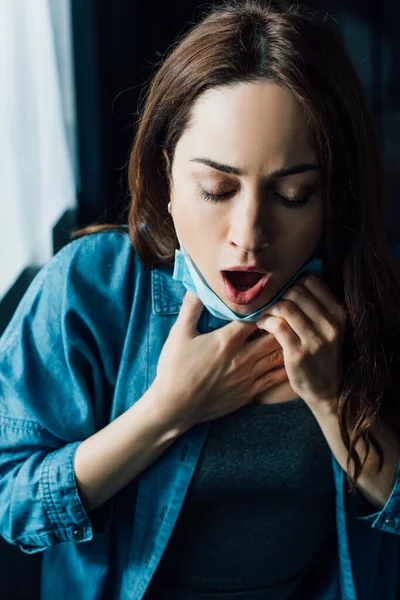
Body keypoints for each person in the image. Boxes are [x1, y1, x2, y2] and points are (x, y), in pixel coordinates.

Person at [1, 0, 400, 598]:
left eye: (292, 194)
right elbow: (14, 504)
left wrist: (332, 401)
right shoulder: (88, 289)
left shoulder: (365, 295)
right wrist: (167, 412)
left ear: (329, 197)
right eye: (216, 189)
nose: (249, 234)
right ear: (166, 179)